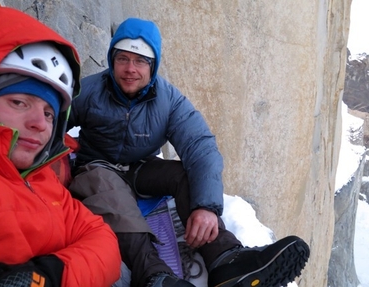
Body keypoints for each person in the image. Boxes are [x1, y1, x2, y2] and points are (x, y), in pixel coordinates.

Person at [67, 17, 310, 287]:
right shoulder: (88, 90)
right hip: (96, 167)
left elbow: (200, 147)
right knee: (106, 187)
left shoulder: (168, 100)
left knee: (183, 173)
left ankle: (225, 259)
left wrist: (206, 207)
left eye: (140, 61)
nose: (130, 69)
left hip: (139, 168)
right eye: (122, 58)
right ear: (112, 60)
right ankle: (154, 275)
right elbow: (50, 125)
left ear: (153, 65)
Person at [0, 7, 121, 287]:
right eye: (19, 102)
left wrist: (50, 275)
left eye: (49, 113)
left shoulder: (42, 181)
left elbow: (103, 240)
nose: (39, 123)